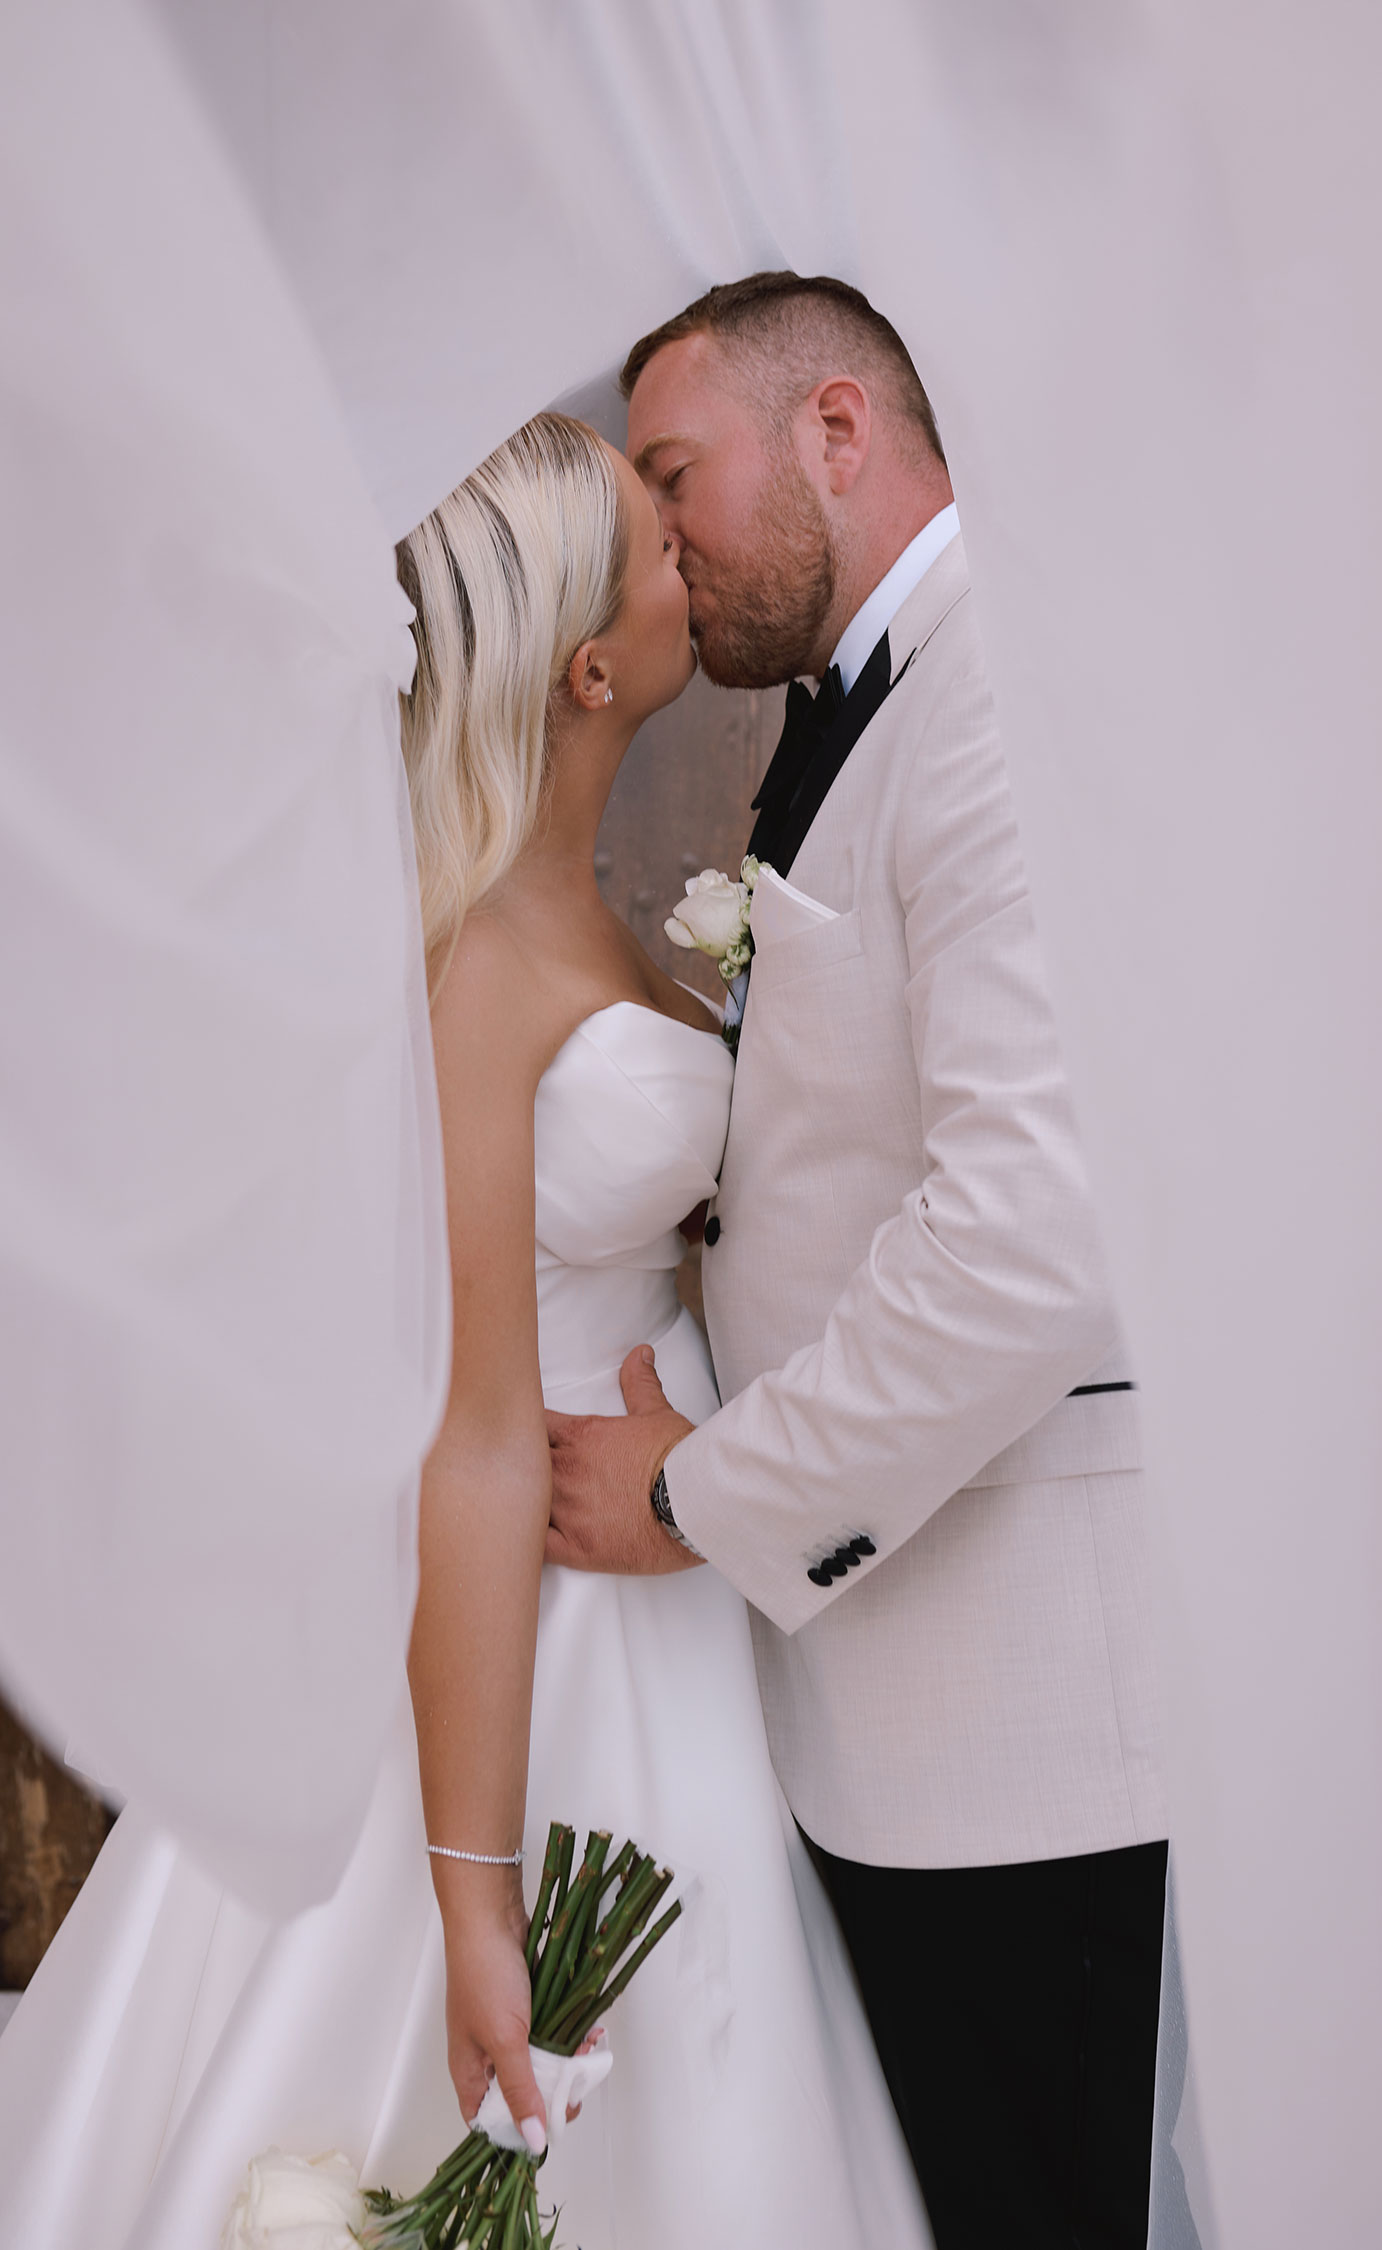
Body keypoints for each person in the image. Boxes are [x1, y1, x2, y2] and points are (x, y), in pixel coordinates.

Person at [0, 414, 932, 2250]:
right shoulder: (478, 963)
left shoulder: (572, 909)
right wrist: (476, 1889)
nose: (688, 549)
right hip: (523, 1597)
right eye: (655, 539)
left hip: (670, 1583)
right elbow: (474, 1432)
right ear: (588, 666)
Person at [544, 273, 1171, 2249]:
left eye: (674, 477)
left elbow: (1024, 1242)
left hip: (1015, 1734)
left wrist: (698, 1494)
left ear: (835, 428)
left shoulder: (994, 697)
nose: (662, 543)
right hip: (900, 1712)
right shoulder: (861, 703)